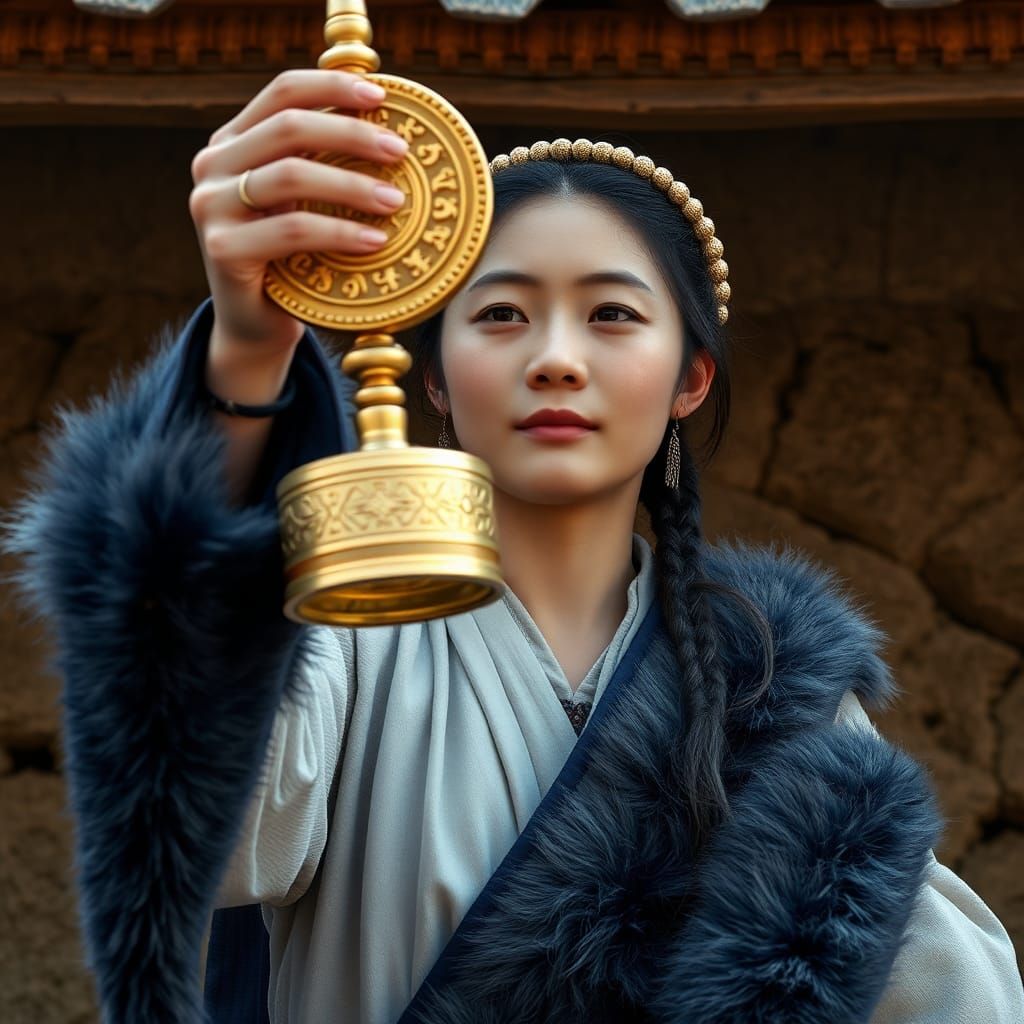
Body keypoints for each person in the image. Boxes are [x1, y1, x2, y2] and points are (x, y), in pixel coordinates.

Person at [7, 69, 1023, 1024]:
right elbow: (195, 835)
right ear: (437, 376)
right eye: (499, 314)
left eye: (613, 314)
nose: (555, 358)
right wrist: (245, 349)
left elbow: (959, 997)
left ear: (689, 380)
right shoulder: (343, 637)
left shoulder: (769, 682)